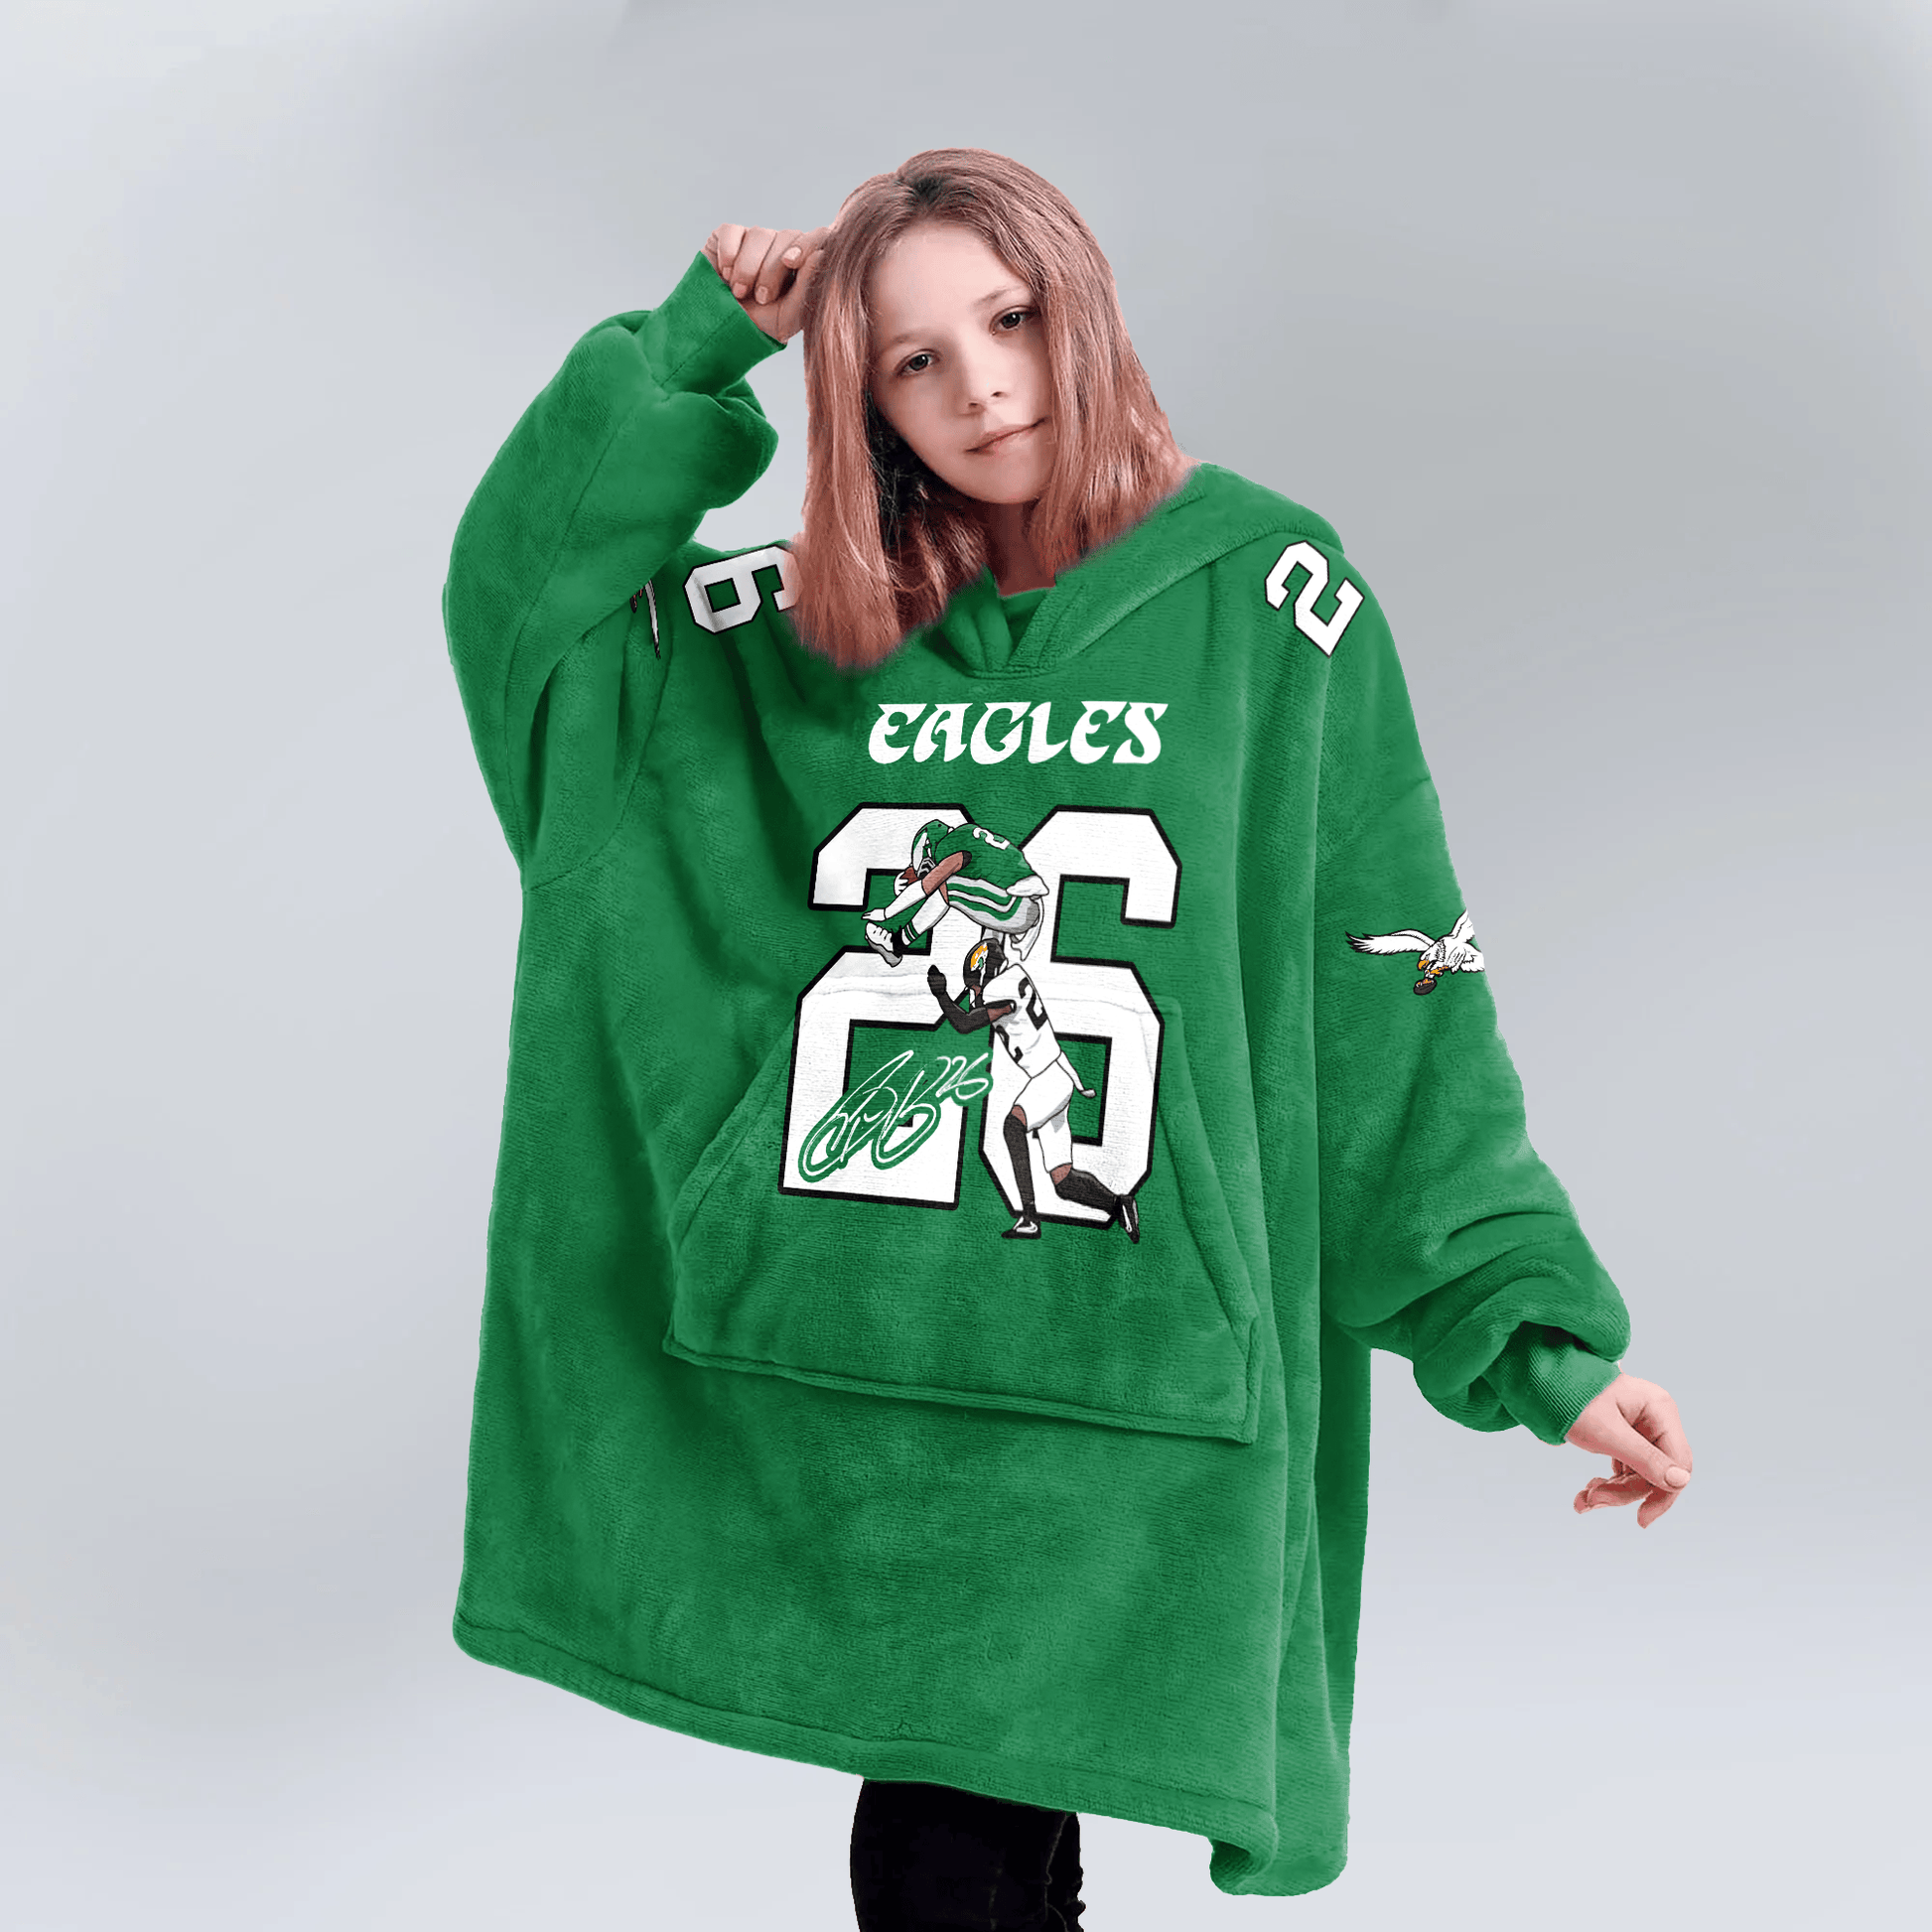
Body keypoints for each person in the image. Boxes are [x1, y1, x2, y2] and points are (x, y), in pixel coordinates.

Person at [440, 149, 1694, 1925]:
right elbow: (529, 622)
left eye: (1007, 319)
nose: (980, 387)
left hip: (1137, 1372)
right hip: (865, 1373)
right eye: (913, 360)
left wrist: (1539, 1342)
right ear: (863, 400)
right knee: (959, 1843)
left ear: (1077, 303)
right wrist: (688, 351)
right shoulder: (784, 633)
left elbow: (1385, 990)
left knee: (973, 1848)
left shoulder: (1273, 599)